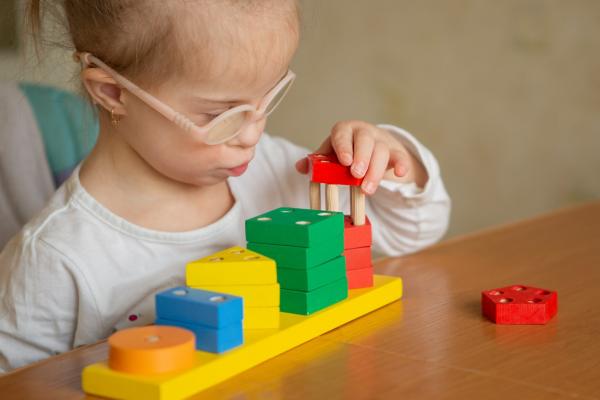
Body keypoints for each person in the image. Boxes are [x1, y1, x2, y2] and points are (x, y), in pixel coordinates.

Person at [0, 0, 451, 372]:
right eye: (222, 115)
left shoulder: (272, 171)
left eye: (269, 97)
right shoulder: (55, 258)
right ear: (113, 93)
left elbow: (415, 231)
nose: (252, 132)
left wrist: (391, 160)